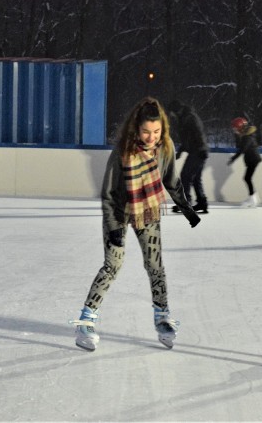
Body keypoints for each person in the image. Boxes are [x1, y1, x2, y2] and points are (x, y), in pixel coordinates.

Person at [71, 97, 201, 352]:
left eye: (156, 131)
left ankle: (162, 317)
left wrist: (187, 208)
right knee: (113, 265)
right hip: (119, 210)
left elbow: (172, 181)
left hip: (148, 210)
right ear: (136, 129)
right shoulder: (123, 150)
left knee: (155, 265)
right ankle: (85, 320)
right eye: (145, 131)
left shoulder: (166, 147)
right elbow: (108, 193)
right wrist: (115, 227)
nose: (151, 137)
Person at [167, 100, 209, 214]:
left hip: (198, 151)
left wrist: (201, 148)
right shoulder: (186, 117)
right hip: (199, 150)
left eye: (172, 113)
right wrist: (180, 152)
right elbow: (188, 139)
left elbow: (198, 132)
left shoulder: (189, 118)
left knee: (185, 175)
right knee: (195, 178)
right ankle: (202, 203)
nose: (172, 115)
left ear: (176, 110)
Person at [228, 117, 262, 208]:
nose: (235, 131)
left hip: (253, 160)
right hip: (253, 160)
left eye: (235, 128)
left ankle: (253, 199)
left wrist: (233, 159)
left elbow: (242, 150)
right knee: (247, 178)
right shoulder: (247, 135)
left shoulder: (247, 137)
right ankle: (253, 197)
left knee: (247, 178)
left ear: (240, 127)